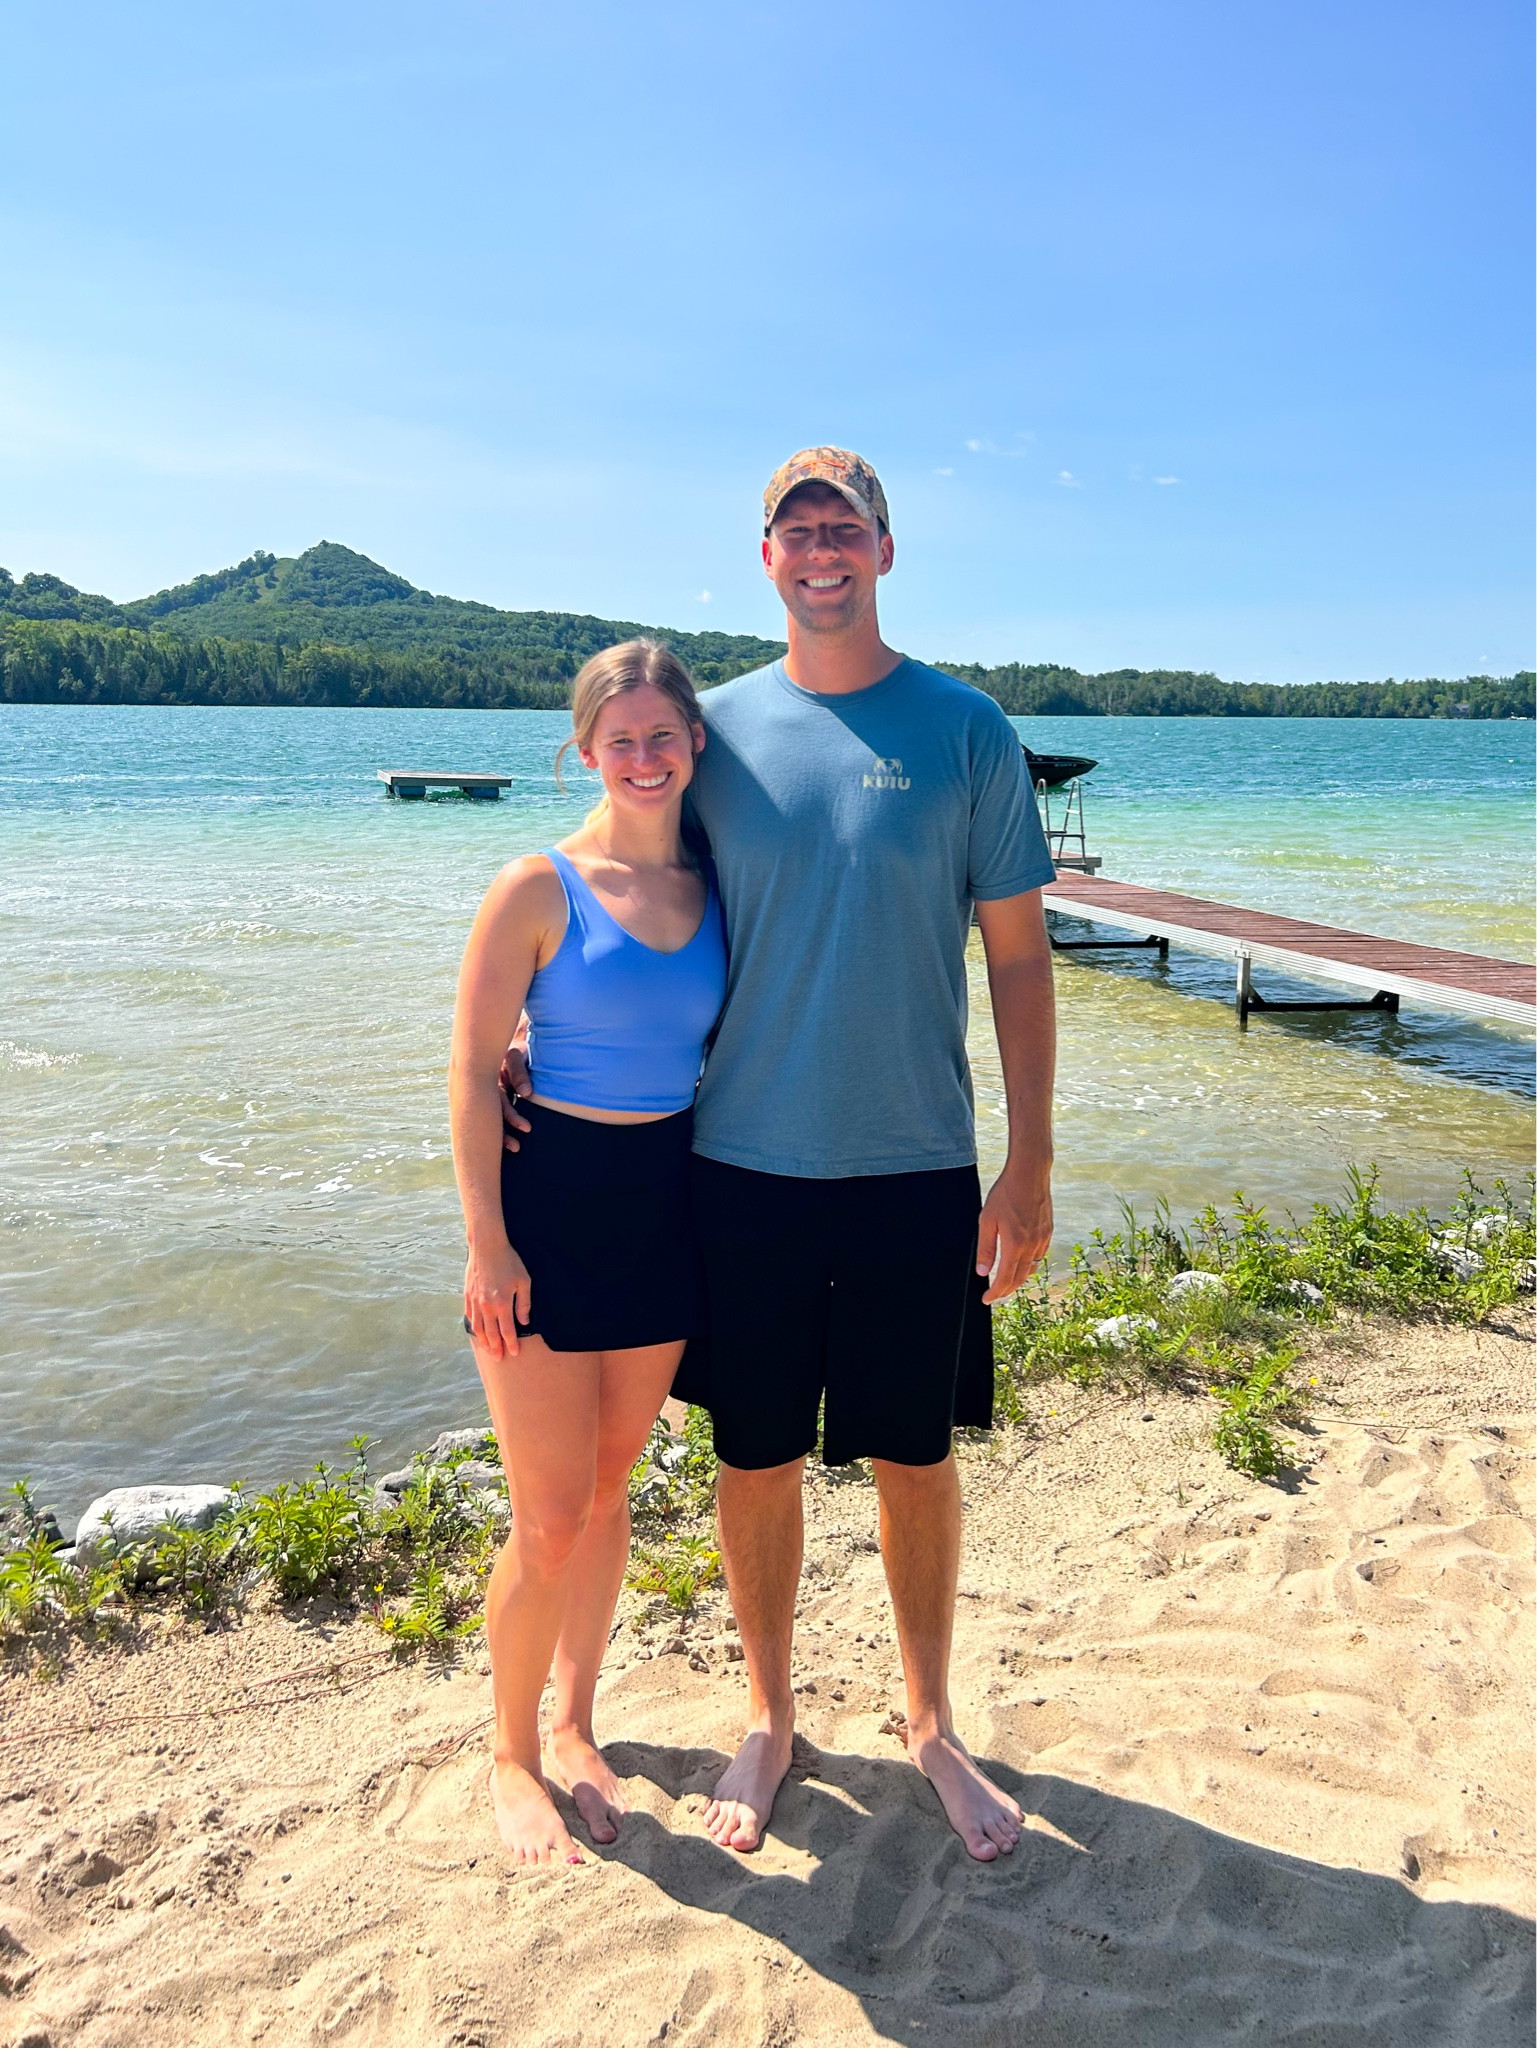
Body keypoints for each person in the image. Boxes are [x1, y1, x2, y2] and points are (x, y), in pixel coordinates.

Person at [505, 447, 1059, 1865]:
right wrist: (527, 1038)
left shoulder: (966, 731)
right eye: (795, 530)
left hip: (916, 1161)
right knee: (752, 1455)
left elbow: (1015, 961)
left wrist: (1030, 1161)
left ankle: (931, 1722)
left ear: (886, 550)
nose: (821, 550)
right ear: (764, 557)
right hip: (737, 1165)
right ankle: (769, 1713)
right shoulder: (719, 733)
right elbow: (620, 877)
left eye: (845, 529)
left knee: (913, 1454)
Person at [449, 638, 726, 1867]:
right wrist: (487, 1246)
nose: (645, 756)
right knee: (549, 1513)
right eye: (621, 739)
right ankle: (510, 1753)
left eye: (665, 734)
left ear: (695, 745)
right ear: (585, 752)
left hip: (665, 1207)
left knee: (612, 1489)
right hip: (546, 1211)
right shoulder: (537, 884)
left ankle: (573, 1722)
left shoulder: (720, 888)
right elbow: (468, 1070)